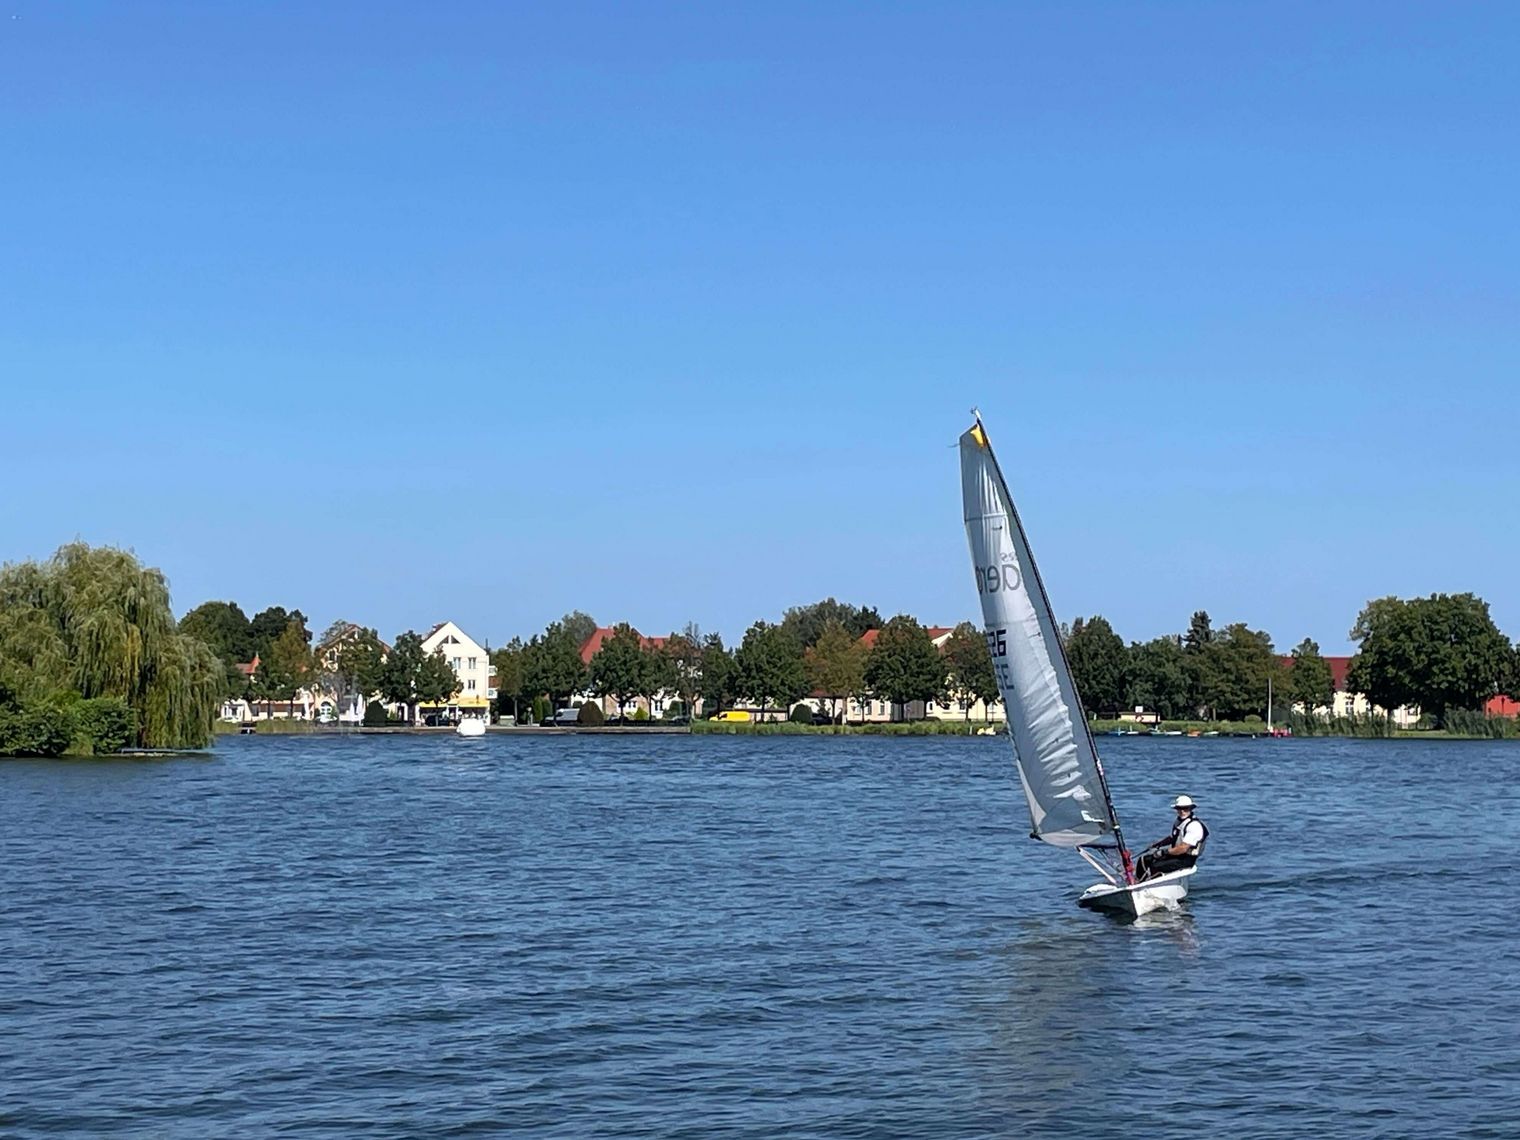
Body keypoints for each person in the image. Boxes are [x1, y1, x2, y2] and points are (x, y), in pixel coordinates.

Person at [1137, 795, 1208, 880]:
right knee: (1144, 859)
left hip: (1186, 860)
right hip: (1176, 856)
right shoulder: (1179, 821)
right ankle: (1136, 881)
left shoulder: (1194, 826)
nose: (1182, 811)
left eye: (1185, 808)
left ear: (1191, 808)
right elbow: (1173, 837)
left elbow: (1183, 848)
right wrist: (1157, 845)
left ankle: (1149, 884)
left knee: (1155, 866)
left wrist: (1163, 852)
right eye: (1179, 808)